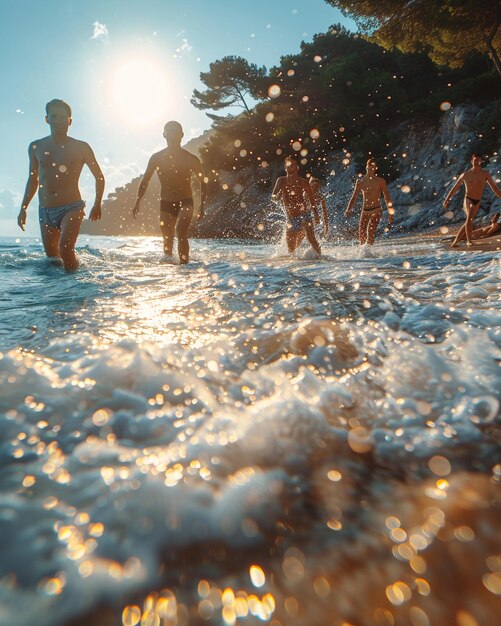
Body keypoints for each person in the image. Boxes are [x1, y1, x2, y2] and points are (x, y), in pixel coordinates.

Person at [17, 99, 104, 271]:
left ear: (70, 121)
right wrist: (23, 207)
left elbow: (99, 177)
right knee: (53, 261)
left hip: (72, 206)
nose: (58, 120)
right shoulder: (36, 147)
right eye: (54, 116)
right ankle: (60, 295)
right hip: (45, 210)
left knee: (65, 249)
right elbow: (33, 179)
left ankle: (75, 288)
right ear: (47, 119)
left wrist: (97, 204)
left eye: (63, 117)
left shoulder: (81, 147)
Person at [133, 121, 206, 264]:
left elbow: (203, 181)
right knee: (167, 239)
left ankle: (185, 267)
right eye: (170, 132)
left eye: (175, 132)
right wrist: (137, 201)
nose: (172, 135)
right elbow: (145, 180)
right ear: (164, 135)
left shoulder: (191, 159)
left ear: (182, 135)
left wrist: (202, 205)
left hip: (186, 200)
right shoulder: (157, 157)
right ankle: (169, 271)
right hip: (166, 202)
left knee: (181, 232)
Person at [443, 154, 501, 247]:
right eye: (475, 160)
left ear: (481, 161)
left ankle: (455, 242)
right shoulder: (466, 175)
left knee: (468, 221)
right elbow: (455, 188)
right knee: (469, 217)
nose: (476, 162)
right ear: (472, 161)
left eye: (478, 160)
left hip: (477, 200)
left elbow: (494, 188)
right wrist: (447, 199)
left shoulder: (485, 174)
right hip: (468, 199)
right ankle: (469, 241)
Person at [271, 156, 321, 256]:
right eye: (289, 166)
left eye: (293, 165)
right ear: (285, 168)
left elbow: (312, 201)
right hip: (291, 217)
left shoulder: (303, 182)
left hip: (304, 215)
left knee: (311, 238)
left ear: (297, 167)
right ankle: (293, 264)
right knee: (291, 248)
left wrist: (316, 215)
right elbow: (273, 197)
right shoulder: (281, 181)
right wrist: (279, 194)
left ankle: (321, 257)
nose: (291, 168)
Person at [344, 158, 394, 246]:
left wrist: (391, 213)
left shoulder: (381, 181)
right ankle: (363, 256)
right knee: (361, 235)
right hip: (365, 211)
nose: (371, 169)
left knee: (370, 233)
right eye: (370, 167)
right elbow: (354, 197)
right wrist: (348, 209)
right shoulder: (360, 181)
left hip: (376, 210)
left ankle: (368, 253)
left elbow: (387, 197)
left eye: (373, 167)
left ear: (376, 168)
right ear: (366, 167)